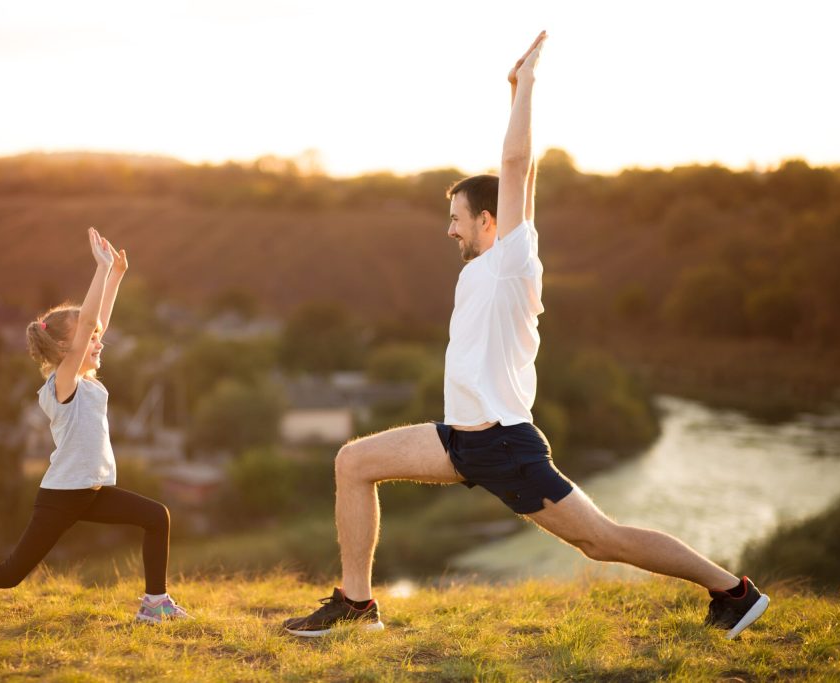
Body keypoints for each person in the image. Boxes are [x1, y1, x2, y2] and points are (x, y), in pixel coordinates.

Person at [283, 31, 769, 640]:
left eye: (456, 218)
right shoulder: (491, 263)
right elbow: (526, 179)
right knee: (353, 461)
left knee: (602, 540)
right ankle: (356, 605)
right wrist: (513, 93)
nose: (448, 229)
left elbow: (517, 165)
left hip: (504, 446)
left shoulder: (512, 260)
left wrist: (526, 86)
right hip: (462, 440)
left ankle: (732, 590)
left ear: (489, 221)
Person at [0, 227, 189, 624]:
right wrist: (99, 271)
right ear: (65, 349)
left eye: (97, 338)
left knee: (156, 516)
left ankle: (155, 604)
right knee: (9, 575)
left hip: (91, 490)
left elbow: (93, 324)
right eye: (90, 340)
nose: (99, 342)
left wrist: (116, 274)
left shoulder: (84, 380)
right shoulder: (62, 386)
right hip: (63, 496)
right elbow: (86, 327)